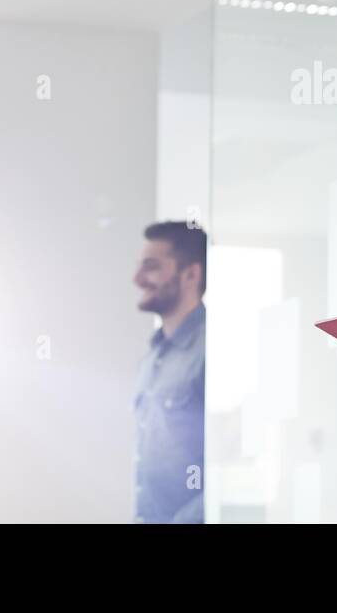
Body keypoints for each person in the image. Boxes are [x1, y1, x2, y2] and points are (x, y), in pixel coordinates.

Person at [132, 220, 206, 523]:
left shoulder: (214, 349)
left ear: (190, 273)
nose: (137, 279)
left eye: (151, 267)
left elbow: (233, 460)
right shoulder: (152, 359)